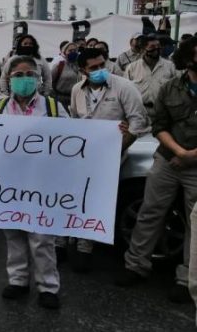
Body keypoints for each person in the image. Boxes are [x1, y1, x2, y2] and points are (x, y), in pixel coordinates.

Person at [116, 37, 197, 304]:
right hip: (167, 160)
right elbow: (159, 125)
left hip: (193, 165)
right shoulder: (171, 87)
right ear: (187, 58)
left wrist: (189, 156)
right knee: (149, 213)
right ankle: (135, 266)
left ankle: (187, 280)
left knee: (194, 224)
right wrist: (178, 152)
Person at [65, 48, 150, 272]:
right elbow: (75, 119)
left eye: (102, 65)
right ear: (82, 70)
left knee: (96, 200)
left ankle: (86, 247)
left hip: (113, 155)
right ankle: (67, 238)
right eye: (93, 68)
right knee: (76, 195)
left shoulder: (124, 87)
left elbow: (138, 122)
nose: (100, 70)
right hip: (84, 155)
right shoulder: (77, 90)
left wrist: (117, 148)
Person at [0, 55, 66, 310]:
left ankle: (48, 286)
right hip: (10, 183)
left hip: (41, 183)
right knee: (13, 234)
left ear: (37, 78)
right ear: (9, 79)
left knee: (42, 238)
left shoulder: (53, 107)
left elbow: (72, 140)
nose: (24, 79)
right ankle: (18, 280)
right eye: (18, 75)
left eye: (29, 75)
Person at [124, 34, 179, 120]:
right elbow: (125, 91)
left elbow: (177, 89)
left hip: (163, 113)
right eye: (152, 46)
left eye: (158, 46)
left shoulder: (170, 66)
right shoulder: (132, 68)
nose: (156, 49)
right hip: (139, 113)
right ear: (142, 49)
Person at [50, 42, 82, 109]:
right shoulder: (59, 65)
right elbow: (49, 81)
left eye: (75, 50)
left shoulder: (81, 66)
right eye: (70, 51)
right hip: (61, 100)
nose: (73, 52)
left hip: (77, 100)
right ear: (64, 52)